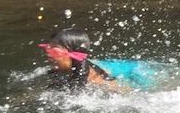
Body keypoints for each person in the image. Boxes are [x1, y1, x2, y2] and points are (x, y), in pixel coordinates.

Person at [36, 28, 170, 92]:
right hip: (110, 66)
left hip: (136, 70)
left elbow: (127, 92)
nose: (49, 55)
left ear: (74, 55)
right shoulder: (66, 70)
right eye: (47, 49)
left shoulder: (93, 80)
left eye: (55, 51)